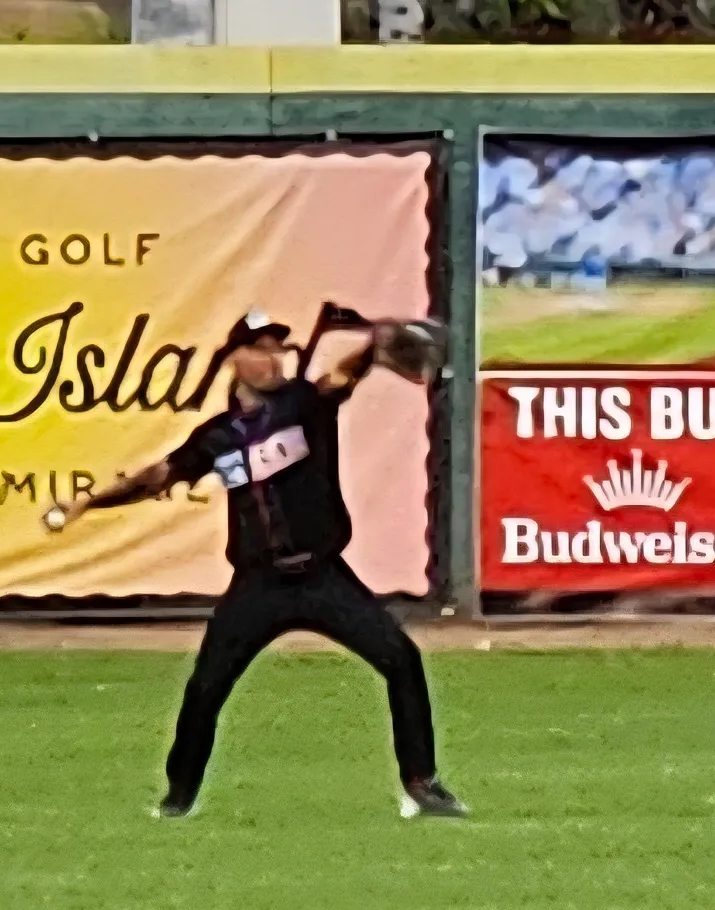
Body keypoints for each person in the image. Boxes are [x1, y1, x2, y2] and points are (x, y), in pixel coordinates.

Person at [42, 302, 467, 821]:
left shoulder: (304, 404)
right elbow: (158, 477)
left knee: (401, 659)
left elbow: (341, 375)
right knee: (206, 686)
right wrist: (88, 503)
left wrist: (375, 344)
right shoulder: (217, 438)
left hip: (322, 577)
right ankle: (178, 798)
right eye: (259, 349)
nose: (272, 358)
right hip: (258, 585)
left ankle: (422, 784)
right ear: (233, 359)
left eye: (277, 349)